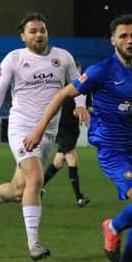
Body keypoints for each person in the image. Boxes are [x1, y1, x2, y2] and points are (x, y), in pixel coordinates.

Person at [23, 13, 132, 262]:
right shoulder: (103, 70)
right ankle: (112, 227)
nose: (129, 40)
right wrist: (39, 128)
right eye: (123, 36)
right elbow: (64, 93)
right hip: (112, 152)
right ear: (113, 40)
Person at [0, 12, 89, 261]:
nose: (39, 34)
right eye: (33, 31)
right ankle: (34, 244)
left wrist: (80, 103)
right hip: (21, 128)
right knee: (36, 179)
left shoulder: (63, 57)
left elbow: (78, 84)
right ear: (22, 36)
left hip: (48, 132)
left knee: (19, 190)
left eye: (42, 30)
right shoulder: (14, 59)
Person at [42, 61, 90, 208]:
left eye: (79, 71)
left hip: (72, 129)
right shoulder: (61, 87)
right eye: (76, 71)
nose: (78, 74)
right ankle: (79, 198)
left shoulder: (80, 90)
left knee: (57, 163)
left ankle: (37, 187)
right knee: (73, 161)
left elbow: (83, 105)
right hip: (63, 130)